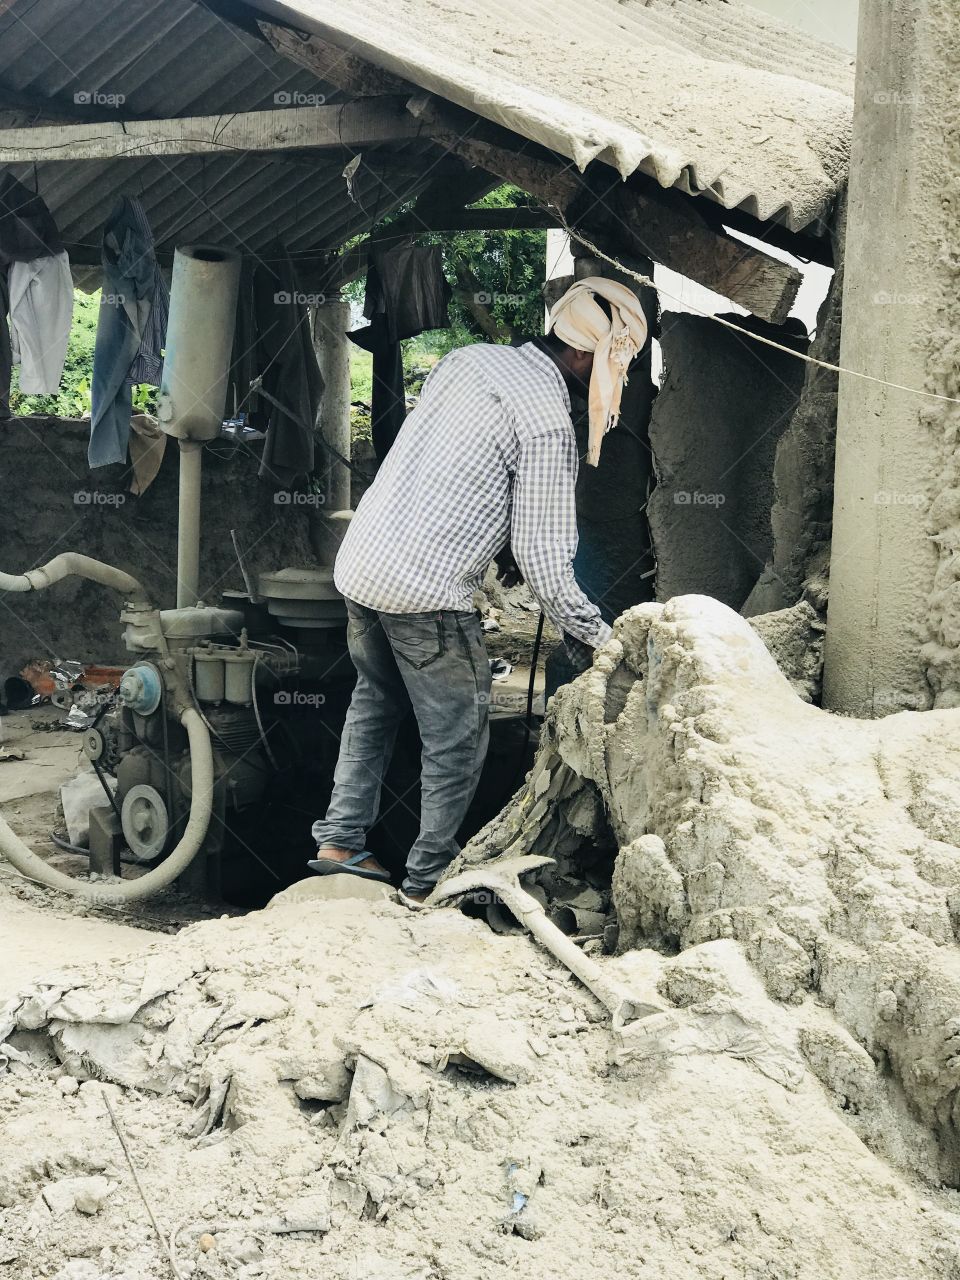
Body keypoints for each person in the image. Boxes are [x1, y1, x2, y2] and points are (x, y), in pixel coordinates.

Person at [308, 277, 648, 907]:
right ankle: (425, 883)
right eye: (619, 366)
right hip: (426, 590)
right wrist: (602, 637)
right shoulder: (548, 424)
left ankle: (339, 840)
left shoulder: (469, 361)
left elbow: (454, 469)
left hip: (362, 565)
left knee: (376, 699)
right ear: (587, 356)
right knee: (459, 737)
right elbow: (545, 559)